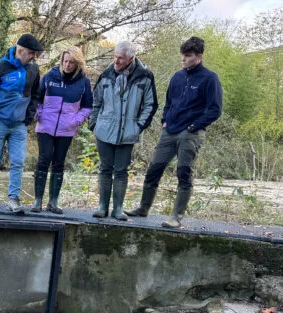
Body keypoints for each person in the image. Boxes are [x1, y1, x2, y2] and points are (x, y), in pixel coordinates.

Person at [126, 36, 222, 228]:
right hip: (169, 131)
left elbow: (215, 109)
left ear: (199, 57)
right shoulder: (177, 76)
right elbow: (169, 102)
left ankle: (176, 218)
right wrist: (164, 120)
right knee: (154, 169)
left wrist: (194, 126)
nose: (183, 59)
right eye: (182, 55)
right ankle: (143, 208)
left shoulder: (210, 79)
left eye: (188, 56)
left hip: (191, 133)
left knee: (184, 172)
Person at [90, 41, 158, 221]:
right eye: (115, 56)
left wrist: (138, 126)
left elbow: (150, 104)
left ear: (131, 58)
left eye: (120, 58)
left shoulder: (145, 76)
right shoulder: (106, 74)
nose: (116, 61)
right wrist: (94, 124)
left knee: (121, 171)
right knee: (105, 168)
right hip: (104, 130)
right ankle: (102, 207)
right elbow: (95, 101)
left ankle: (118, 209)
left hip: (128, 132)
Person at [0, 33, 43, 213]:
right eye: (31, 53)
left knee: (18, 162)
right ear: (20, 51)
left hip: (19, 125)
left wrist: (28, 118)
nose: (33, 57)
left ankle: (13, 199)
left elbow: (36, 95)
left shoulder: (33, 70)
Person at [32, 46, 93, 214]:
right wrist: (39, 113)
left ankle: (53, 202)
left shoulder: (84, 82)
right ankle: (37, 201)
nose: (67, 65)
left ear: (77, 63)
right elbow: (37, 97)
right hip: (46, 125)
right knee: (44, 159)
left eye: (71, 62)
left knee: (59, 162)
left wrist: (76, 120)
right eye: (65, 61)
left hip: (67, 128)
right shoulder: (50, 76)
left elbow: (88, 106)